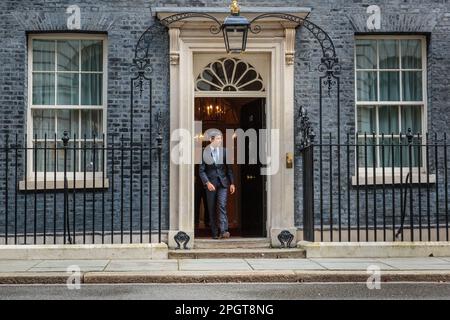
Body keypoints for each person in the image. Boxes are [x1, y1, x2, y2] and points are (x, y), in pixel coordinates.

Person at [199, 131, 235, 239]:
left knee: (222, 205)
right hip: (210, 184)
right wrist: (207, 183)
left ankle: (224, 231)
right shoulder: (204, 152)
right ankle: (215, 232)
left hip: (223, 183)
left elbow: (229, 169)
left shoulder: (224, 152)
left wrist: (232, 183)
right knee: (211, 208)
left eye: (220, 139)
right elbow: (201, 170)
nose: (220, 141)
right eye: (218, 139)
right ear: (211, 140)